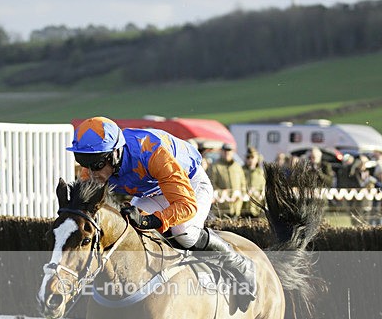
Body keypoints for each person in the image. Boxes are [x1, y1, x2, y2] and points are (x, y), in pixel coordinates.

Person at [67, 117, 256, 309]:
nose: (89, 172)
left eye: (96, 164)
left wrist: (150, 220)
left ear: (115, 154)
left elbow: (186, 206)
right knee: (129, 229)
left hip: (189, 185)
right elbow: (85, 209)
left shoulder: (151, 152)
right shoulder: (96, 164)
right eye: (83, 162)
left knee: (184, 232)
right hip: (153, 191)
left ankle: (238, 263)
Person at [208, 142, 247, 218]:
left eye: (229, 150)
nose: (227, 153)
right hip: (221, 209)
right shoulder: (215, 167)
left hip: (236, 208)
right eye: (225, 150)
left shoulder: (237, 167)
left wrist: (241, 194)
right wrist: (221, 193)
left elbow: (243, 184)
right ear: (221, 152)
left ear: (233, 152)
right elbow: (211, 185)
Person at [241, 147, 266, 218]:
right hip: (243, 208)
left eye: (252, 157)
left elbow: (264, 190)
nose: (250, 160)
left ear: (257, 158)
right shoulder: (241, 171)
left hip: (257, 208)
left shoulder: (261, 173)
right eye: (248, 157)